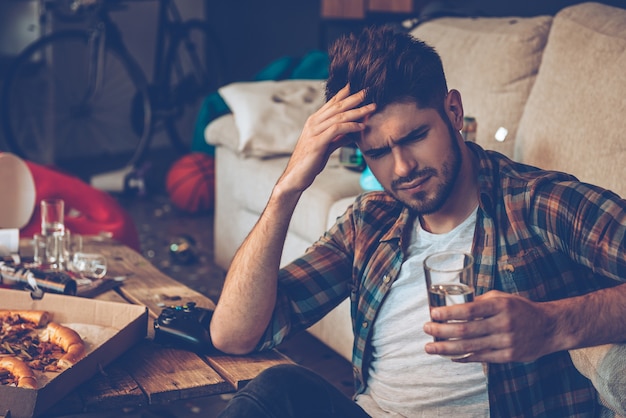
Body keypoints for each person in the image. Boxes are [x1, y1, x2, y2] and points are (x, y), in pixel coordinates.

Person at [210, 25, 626, 417]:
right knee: (277, 390)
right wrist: (287, 189)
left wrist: (553, 326)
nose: (402, 167)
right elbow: (235, 334)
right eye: (378, 152)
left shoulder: (537, 203)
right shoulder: (370, 221)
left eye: (413, 137)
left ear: (453, 110)